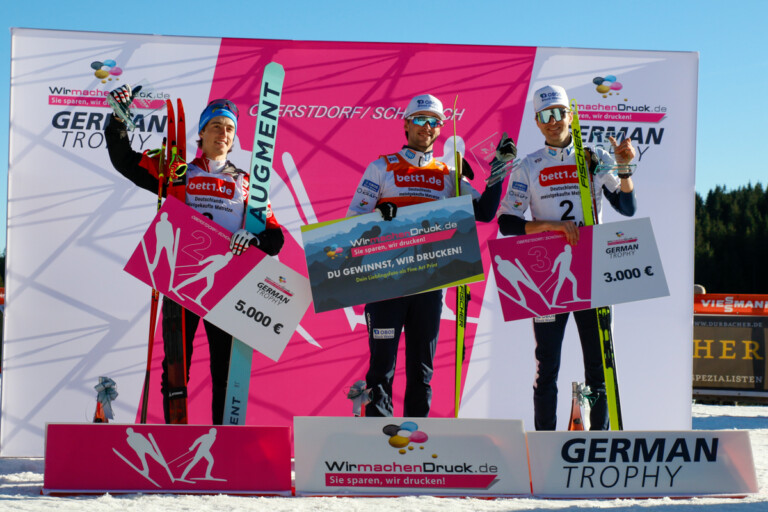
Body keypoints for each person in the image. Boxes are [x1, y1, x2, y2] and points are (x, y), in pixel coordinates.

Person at [104, 85, 284, 424]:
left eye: (230, 128)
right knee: (176, 364)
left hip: (227, 283)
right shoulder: (178, 170)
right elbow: (125, 160)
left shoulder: (248, 184)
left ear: (234, 139)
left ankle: (225, 439)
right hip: (183, 275)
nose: (223, 133)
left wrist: (255, 240)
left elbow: (276, 237)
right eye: (216, 125)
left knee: (226, 369)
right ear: (201, 132)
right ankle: (175, 433)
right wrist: (118, 120)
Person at [347, 93, 516, 417]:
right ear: (407, 124)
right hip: (387, 282)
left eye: (434, 121)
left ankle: (414, 443)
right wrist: (380, 216)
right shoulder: (382, 166)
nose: (427, 127)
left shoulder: (448, 175)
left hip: (429, 283)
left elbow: (485, 211)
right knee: (381, 366)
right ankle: (377, 441)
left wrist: (499, 167)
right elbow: (354, 216)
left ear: (440, 128)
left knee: (421, 369)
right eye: (420, 119)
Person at [497, 84, 637, 430]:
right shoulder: (528, 166)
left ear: (570, 115)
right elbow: (506, 222)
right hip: (544, 270)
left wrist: (623, 168)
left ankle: (599, 444)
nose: (554, 121)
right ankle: (546, 445)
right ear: (537, 122)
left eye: (560, 112)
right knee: (547, 365)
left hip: (593, 267)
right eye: (546, 115)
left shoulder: (593, 157)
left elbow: (627, 206)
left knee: (599, 364)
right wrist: (549, 226)